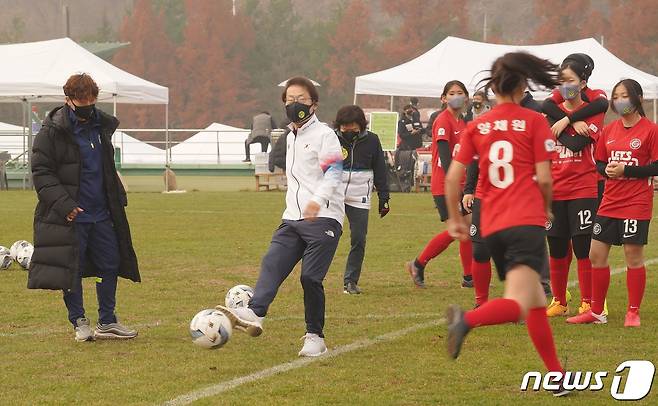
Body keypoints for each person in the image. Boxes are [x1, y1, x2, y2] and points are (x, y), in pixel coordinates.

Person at [444, 52, 568, 397]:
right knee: (518, 305)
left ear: (494, 86)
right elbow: (544, 177)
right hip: (524, 222)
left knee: (536, 304)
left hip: (492, 225)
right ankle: (466, 320)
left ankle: (557, 377)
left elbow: (454, 178)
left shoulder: (477, 125)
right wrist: (545, 208)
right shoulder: (534, 120)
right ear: (523, 84)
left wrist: (456, 220)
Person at [218, 77, 344, 357]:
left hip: (324, 217)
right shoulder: (290, 137)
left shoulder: (325, 135)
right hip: (292, 218)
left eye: (300, 99)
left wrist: (317, 201)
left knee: (310, 278)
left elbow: (335, 173)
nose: (294, 104)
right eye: (289, 100)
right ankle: (255, 314)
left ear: (314, 103)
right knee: (272, 261)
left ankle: (315, 337)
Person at [29, 73, 139, 341]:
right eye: (81, 103)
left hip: (102, 214)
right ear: (68, 100)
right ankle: (79, 321)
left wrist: (116, 196)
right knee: (71, 269)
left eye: (91, 102)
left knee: (111, 263)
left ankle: (107, 321)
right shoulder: (51, 132)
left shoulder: (101, 127)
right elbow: (42, 172)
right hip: (69, 216)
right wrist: (64, 204)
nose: (87, 108)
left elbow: (104, 169)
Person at [567, 79, 658, 327]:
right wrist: (607, 170)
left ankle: (633, 312)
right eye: (616, 97)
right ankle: (597, 312)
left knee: (633, 255)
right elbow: (598, 163)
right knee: (596, 254)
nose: (619, 101)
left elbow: (656, 166)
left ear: (637, 98)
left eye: (624, 96)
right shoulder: (609, 130)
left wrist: (627, 170)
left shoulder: (651, 130)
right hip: (609, 201)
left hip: (636, 202)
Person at [462, 89, 549, 307]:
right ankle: (481, 302)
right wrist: (469, 189)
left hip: (516, 196)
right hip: (487, 195)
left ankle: (519, 301)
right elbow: (472, 161)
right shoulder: (482, 124)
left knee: (516, 254)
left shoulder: (532, 120)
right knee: (480, 251)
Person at [542, 53, 610, 316]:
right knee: (556, 246)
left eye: (569, 80)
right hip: (555, 189)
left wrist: (565, 122)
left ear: (582, 83)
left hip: (583, 188)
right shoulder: (552, 110)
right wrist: (568, 120)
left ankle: (587, 300)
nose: (564, 85)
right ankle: (559, 301)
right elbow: (544, 112)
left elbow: (577, 144)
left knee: (583, 247)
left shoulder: (594, 112)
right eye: (561, 81)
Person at [405, 81, 472, 289]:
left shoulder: (462, 122)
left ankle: (469, 277)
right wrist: (456, 184)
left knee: (468, 228)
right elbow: (444, 156)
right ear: (443, 98)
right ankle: (418, 263)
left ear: (466, 97)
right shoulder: (443, 120)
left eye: (460, 93)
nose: (456, 96)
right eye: (451, 93)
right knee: (460, 229)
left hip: (459, 183)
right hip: (445, 184)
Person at [334, 105, 390, 295]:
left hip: (360, 196)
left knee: (358, 239)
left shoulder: (372, 140)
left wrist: (384, 197)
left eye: (353, 127)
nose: (349, 131)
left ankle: (350, 281)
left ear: (361, 125)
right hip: (334, 194)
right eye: (345, 127)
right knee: (328, 237)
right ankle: (315, 277)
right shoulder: (331, 138)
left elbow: (380, 169)